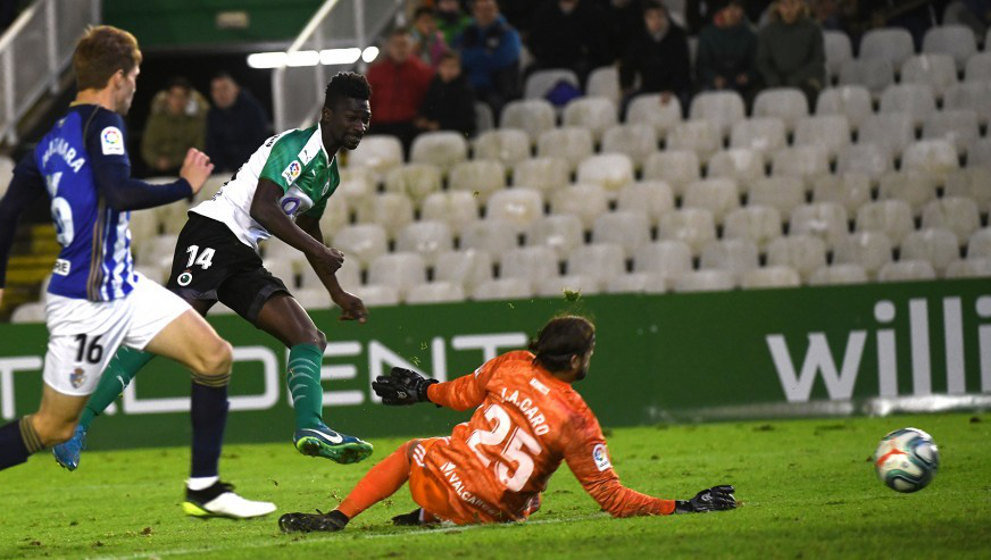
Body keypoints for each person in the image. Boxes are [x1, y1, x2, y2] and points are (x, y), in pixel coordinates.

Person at [0, 25, 274, 518]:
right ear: (119, 78)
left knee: (214, 357)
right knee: (52, 427)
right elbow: (120, 193)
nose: (135, 86)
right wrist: (184, 185)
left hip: (121, 285)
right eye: (136, 76)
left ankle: (205, 487)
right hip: (86, 300)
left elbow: (7, 211)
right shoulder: (105, 124)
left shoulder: (50, 140)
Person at [51, 73, 376, 479]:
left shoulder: (329, 173)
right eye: (351, 117)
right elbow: (264, 207)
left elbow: (309, 227)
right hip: (215, 232)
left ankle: (311, 426)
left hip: (241, 255)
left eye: (365, 119)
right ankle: (73, 423)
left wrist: (337, 292)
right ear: (327, 114)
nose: (359, 127)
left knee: (308, 337)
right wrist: (319, 251)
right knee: (162, 334)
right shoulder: (297, 146)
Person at [278, 315, 737, 532]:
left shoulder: (512, 364)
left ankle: (339, 517)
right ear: (575, 360)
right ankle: (428, 517)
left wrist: (422, 390)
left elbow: (457, 395)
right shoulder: (579, 420)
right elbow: (612, 500)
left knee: (416, 449)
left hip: (442, 484)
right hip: (499, 512)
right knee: (531, 495)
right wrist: (683, 507)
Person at [366, 27, 434, 153]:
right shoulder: (375, 72)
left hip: (409, 127)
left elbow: (429, 99)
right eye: (396, 45)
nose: (400, 49)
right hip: (380, 127)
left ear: (411, 47)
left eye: (404, 45)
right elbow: (369, 101)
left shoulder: (422, 72)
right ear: (388, 47)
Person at [619, 1, 692, 113]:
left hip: (675, 88)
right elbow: (627, 65)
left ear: (666, 17)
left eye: (659, 16)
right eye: (651, 17)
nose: (656, 21)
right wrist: (626, 85)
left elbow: (683, 69)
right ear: (645, 19)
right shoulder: (638, 38)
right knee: (627, 102)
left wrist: (671, 90)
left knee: (685, 100)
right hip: (648, 87)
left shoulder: (678, 37)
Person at [455, 0, 522, 119]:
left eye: (489, 9)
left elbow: (501, 59)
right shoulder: (465, 33)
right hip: (468, 87)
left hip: (498, 88)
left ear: (497, 10)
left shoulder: (509, 33)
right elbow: (457, 57)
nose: (485, 13)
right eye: (481, 9)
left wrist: (473, 57)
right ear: (474, 12)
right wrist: (485, 55)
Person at [755, 0, 826, 107]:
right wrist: (774, 80)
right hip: (775, 82)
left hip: (805, 82)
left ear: (800, 4)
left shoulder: (813, 29)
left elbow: (817, 61)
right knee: (755, 97)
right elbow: (763, 61)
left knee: (808, 96)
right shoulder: (767, 32)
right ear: (778, 6)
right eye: (784, 5)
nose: (789, 9)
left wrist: (794, 79)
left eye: (792, 4)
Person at [527, 0, 610, 83]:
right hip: (549, 63)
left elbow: (600, 47)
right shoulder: (545, 11)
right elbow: (534, 42)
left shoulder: (592, 12)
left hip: (581, 65)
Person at [141, 77, 207, 175]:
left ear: (188, 99)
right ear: (167, 97)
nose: (178, 100)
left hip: (185, 170)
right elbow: (147, 147)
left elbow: (198, 149)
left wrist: (173, 162)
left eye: (182, 96)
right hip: (157, 169)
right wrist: (156, 161)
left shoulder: (195, 122)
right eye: (174, 96)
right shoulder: (156, 120)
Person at [205, 72, 269, 173]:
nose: (221, 93)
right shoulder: (212, 114)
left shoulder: (253, 110)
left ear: (236, 89)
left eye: (225, 88)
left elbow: (259, 143)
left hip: (251, 170)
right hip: (221, 173)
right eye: (216, 90)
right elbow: (212, 147)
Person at [697, 0, 758, 99]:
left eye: (736, 8)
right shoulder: (707, 35)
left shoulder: (750, 36)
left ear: (742, 11)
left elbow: (755, 65)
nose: (732, 12)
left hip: (742, 87)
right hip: (713, 85)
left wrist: (748, 76)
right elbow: (701, 66)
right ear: (721, 10)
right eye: (728, 8)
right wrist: (714, 78)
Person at [416, 51, 477, 137]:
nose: (448, 70)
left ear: (459, 69)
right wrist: (423, 119)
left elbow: (467, 122)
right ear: (439, 68)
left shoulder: (465, 89)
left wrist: (440, 125)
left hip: (457, 135)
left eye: (453, 66)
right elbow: (426, 107)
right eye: (445, 66)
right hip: (433, 133)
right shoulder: (434, 86)